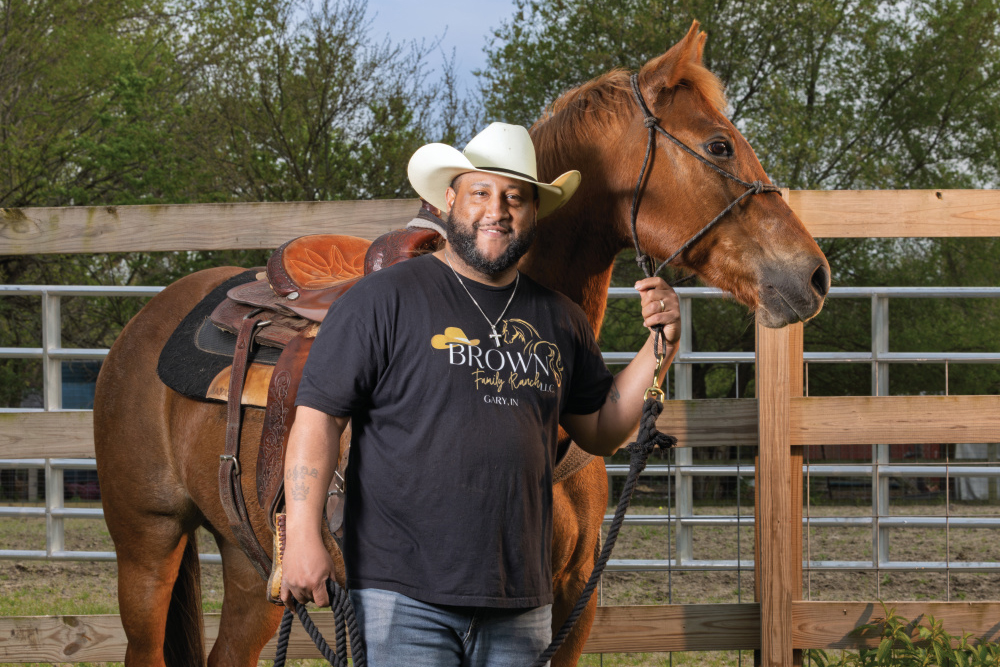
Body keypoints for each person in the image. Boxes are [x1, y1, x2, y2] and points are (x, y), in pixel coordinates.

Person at [280, 122, 680, 667]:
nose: (498, 210)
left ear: (534, 212)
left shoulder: (560, 319)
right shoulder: (382, 300)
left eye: (515, 197)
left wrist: (661, 347)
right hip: (403, 596)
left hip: (521, 599)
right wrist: (302, 536)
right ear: (450, 200)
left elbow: (604, 429)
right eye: (481, 193)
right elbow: (317, 418)